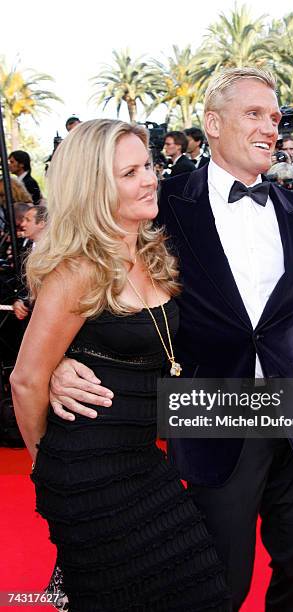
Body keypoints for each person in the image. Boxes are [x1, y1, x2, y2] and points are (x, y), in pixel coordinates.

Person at [48, 68, 293, 612]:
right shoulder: (163, 203)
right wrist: (59, 357)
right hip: (209, 417)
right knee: (220, 582)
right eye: (254, 114)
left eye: (274, 116)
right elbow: (84, 262)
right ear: (213, 123)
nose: (271, 126)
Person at [10, 119, 231, 612]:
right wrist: (44, 466)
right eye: (129, 172)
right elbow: (25, 380)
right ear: (94, 188)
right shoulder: (78, 268)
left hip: (144, 463)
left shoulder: (153, 253)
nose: (149, 179)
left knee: (202, 589)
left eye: (148, 165)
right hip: (89, 479)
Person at [12, 205, 48, 322]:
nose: (22, 224)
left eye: (28, 220)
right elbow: (22, 281)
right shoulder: (24, 246)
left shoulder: (56, 252)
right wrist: (20, 300)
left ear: (41, 224)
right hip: (28, 315)